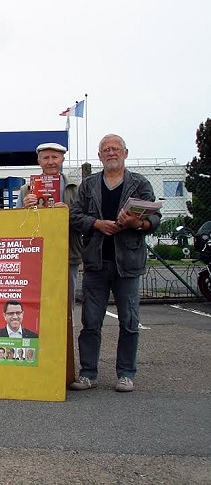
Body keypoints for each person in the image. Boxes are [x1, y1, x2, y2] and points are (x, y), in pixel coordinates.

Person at [69, 134, 160, 392]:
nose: (111, 153)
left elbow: (155, 219)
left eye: (116, 149)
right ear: (99, 156)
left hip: (128, 263)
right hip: (96, 263)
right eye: (106, 149)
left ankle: (126, 374)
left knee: (129, 322)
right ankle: (88, 373)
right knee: (90, 321)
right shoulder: (88, 185)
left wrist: (137, 223)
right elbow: (74, 216)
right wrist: (96, 223)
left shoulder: (140, 184)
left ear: (125, 153)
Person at [17, 142, 83, 317]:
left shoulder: (76, 189)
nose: (51, 162)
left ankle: (67, 333)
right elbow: (17, 225)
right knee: (37, 301)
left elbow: (85, 221)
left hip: (68, 253)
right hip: (35, 255)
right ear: (39, 161)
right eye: (46, 158)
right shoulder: (26, 190)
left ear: (62, 159)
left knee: (66, 302)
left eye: (55, 157)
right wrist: (24, 209)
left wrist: (68, 213)